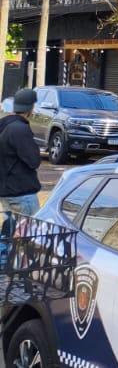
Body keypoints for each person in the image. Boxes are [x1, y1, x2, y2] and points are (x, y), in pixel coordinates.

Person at [0, 88, 42, 260]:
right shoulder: (19, 130)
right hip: (21, 191)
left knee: (11, 229)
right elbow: (33, 161)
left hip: (7, 190)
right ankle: (19, 267)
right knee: (28, 233)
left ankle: (7, 262)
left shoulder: (5, 125)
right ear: (30, 108)